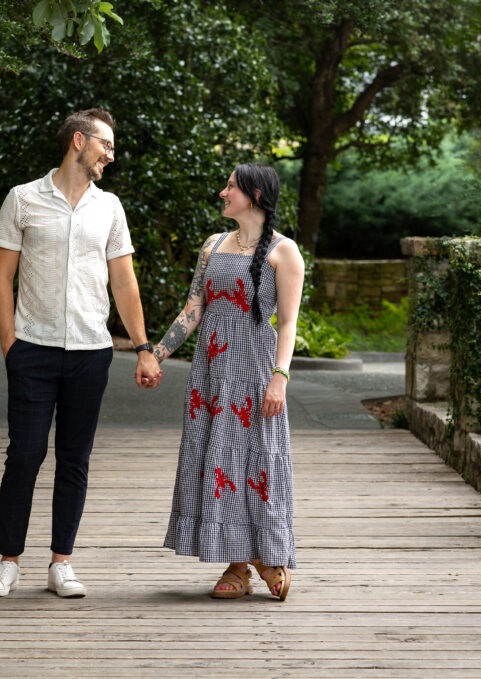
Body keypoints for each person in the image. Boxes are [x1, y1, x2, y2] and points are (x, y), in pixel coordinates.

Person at [0, 108, 162, 599]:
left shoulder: (110, 208)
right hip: (32, 349)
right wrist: (10, 344)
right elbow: (1, 276)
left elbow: (124, 282)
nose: (111, 155)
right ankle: (8, 562)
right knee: (24, 455)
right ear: (79, 141)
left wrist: (144, 347)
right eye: (106, 145)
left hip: (90, 353)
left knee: (74, 459)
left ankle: (61, 562)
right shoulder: (22, 199)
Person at [152, 163, 304, 600]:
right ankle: (239, 563)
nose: (223, 193)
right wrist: (155, 355)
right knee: (217, 458)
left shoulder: (285, 252)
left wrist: (280, 378)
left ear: (254, 196)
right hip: (211, 370)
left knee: (254, 460)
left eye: (231, 187)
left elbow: (288, 322)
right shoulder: (212, 245)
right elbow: (193, 309)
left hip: (255, 370)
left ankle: (266, 555)